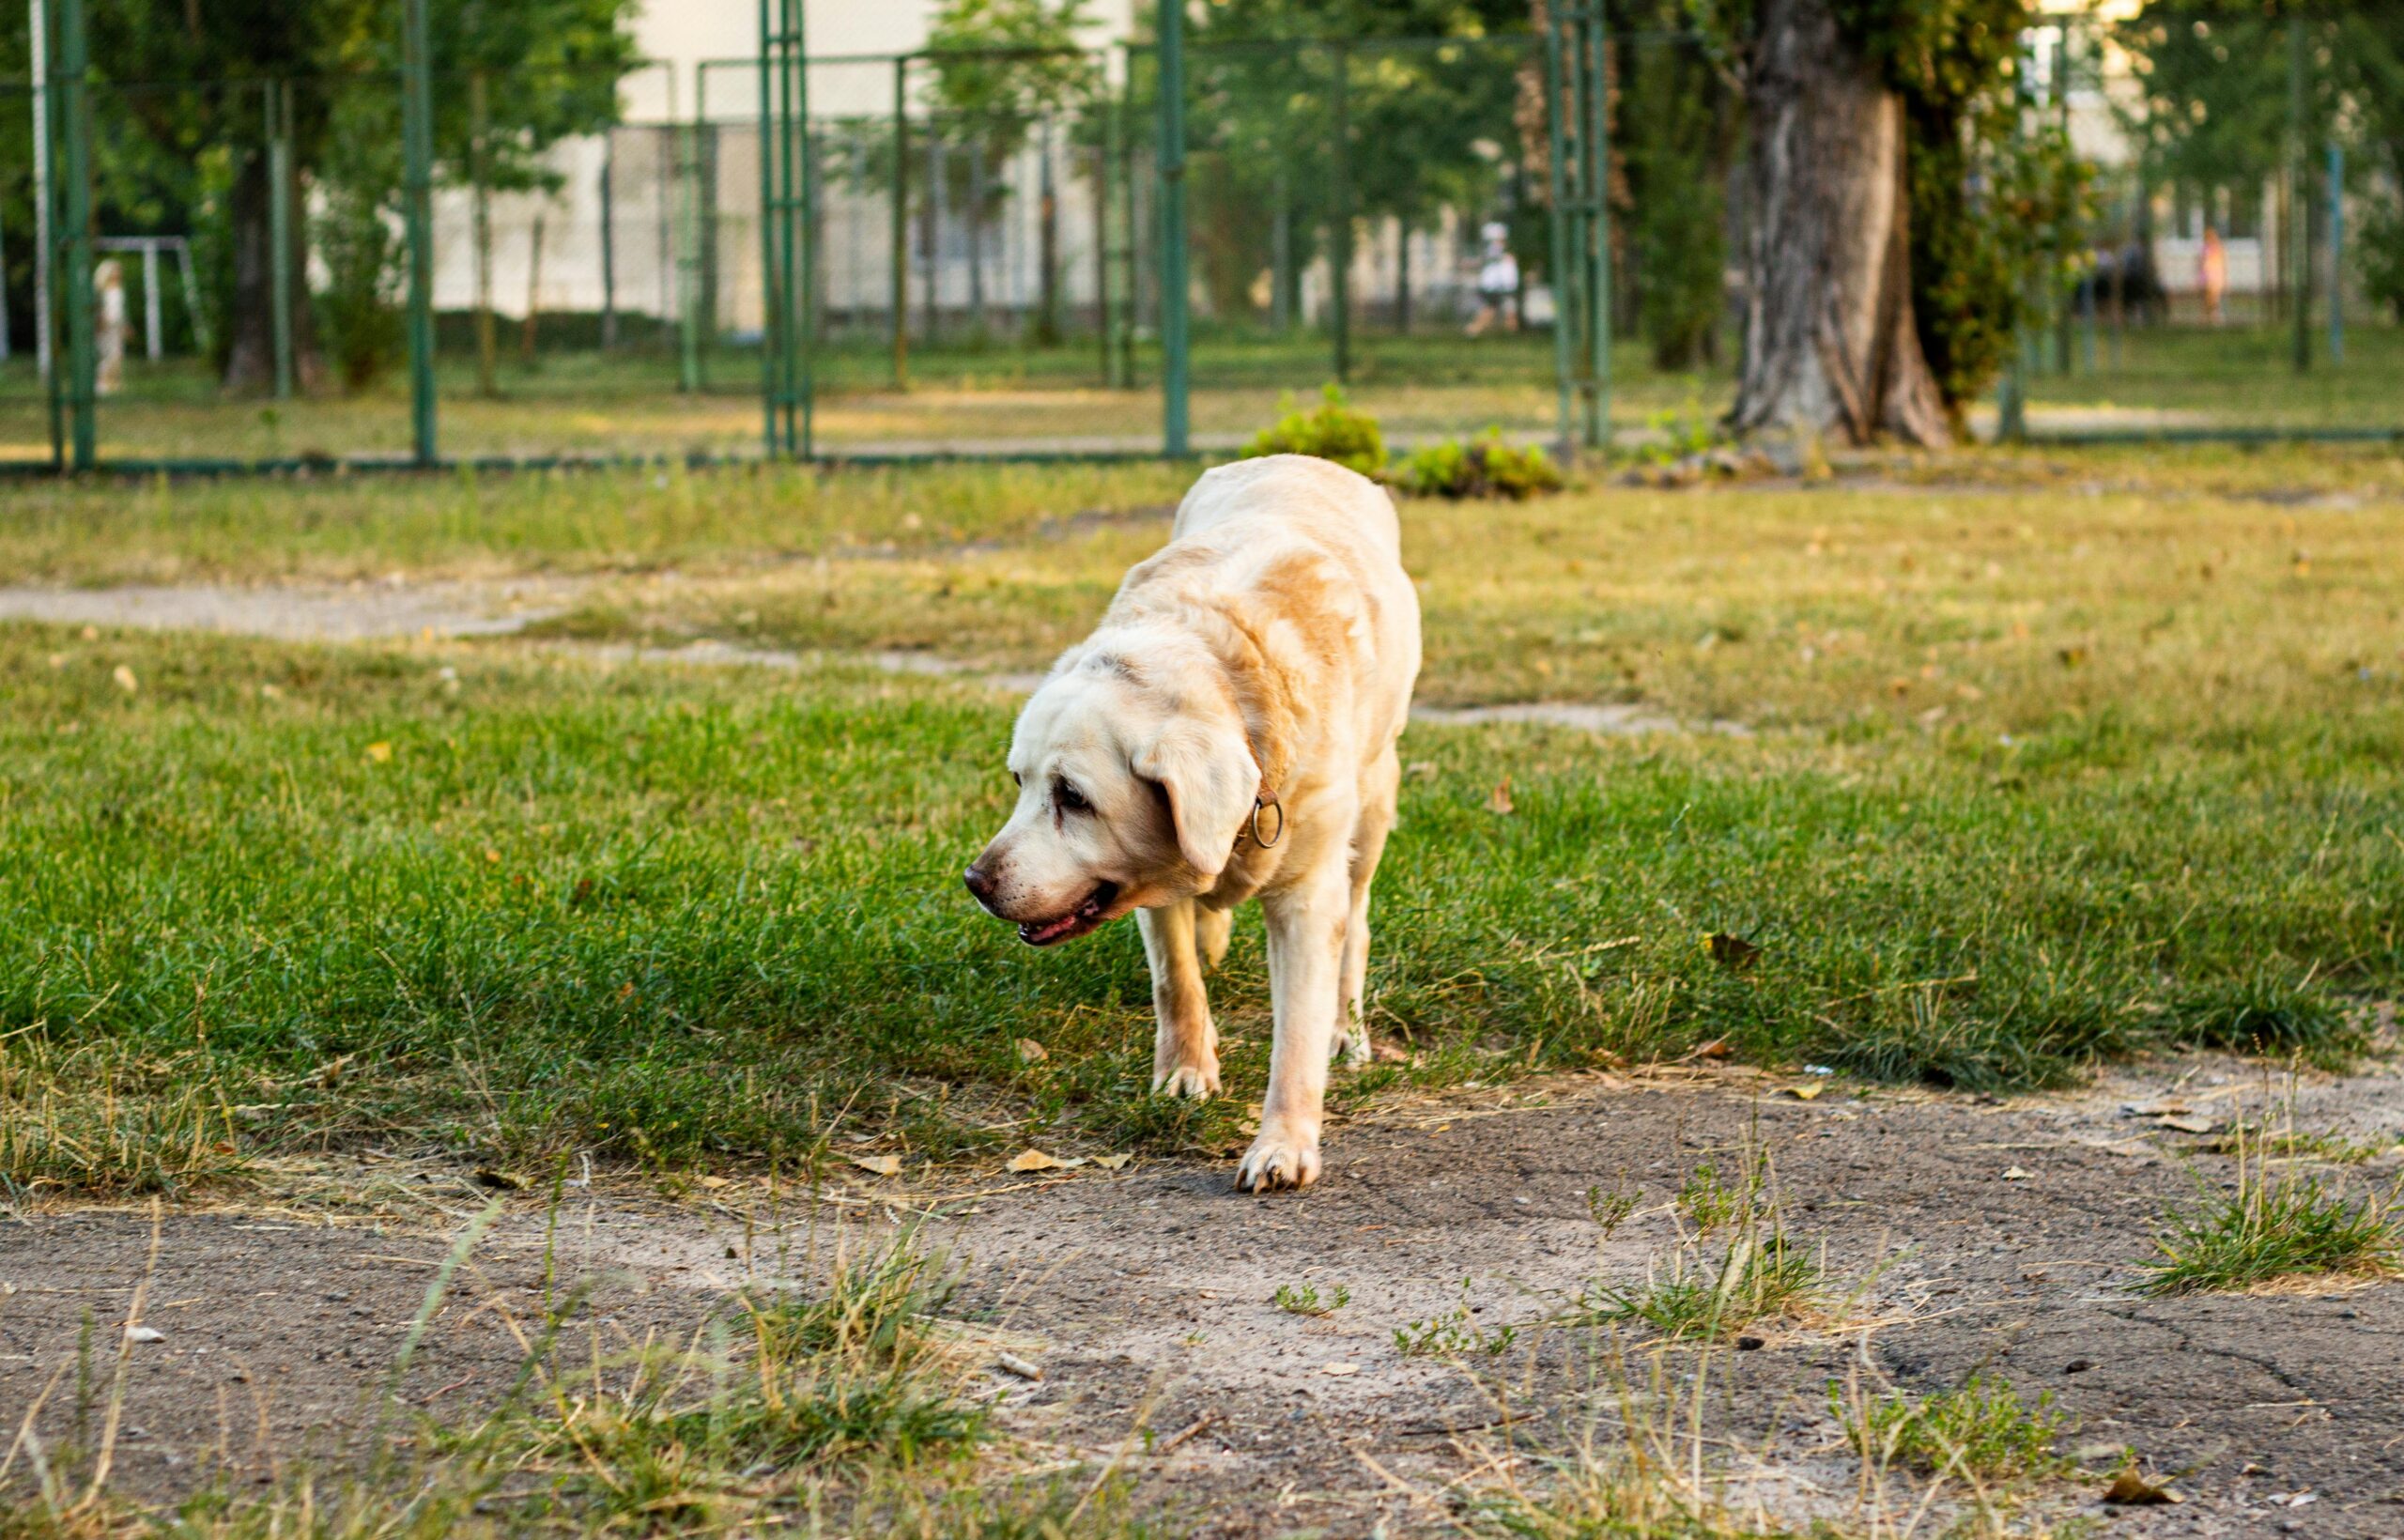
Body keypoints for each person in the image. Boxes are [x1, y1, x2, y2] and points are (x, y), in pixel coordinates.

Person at [1464, 222, 1518, 336]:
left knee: (1506, 311)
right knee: (1492, 311)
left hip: (1502, 286)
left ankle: (1474, 330)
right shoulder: (1495, 250)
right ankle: (1472, 330)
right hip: (1497, 286)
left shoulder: (1497, 250)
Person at [95, 258, 127, 396]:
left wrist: (124, 325)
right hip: (106, 326)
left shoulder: (119, 289)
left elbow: (120, 311)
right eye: (115, 270)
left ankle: (113, 382)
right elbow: (101, 310)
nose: (118, 273)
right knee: (106, 355)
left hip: (116, 326)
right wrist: (102, 323)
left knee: (117, 355)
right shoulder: (102, 290)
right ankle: (101, 383)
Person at [2197, 225, 2227, 327]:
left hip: (2215, 276)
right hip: (2207, 277)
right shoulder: (2205, 249)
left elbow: (2221, 263)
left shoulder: (2218, 248)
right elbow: (2201, 263)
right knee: (2207, 298)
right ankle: (2208, 317)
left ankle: (2213, 317)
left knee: (2214, 298)